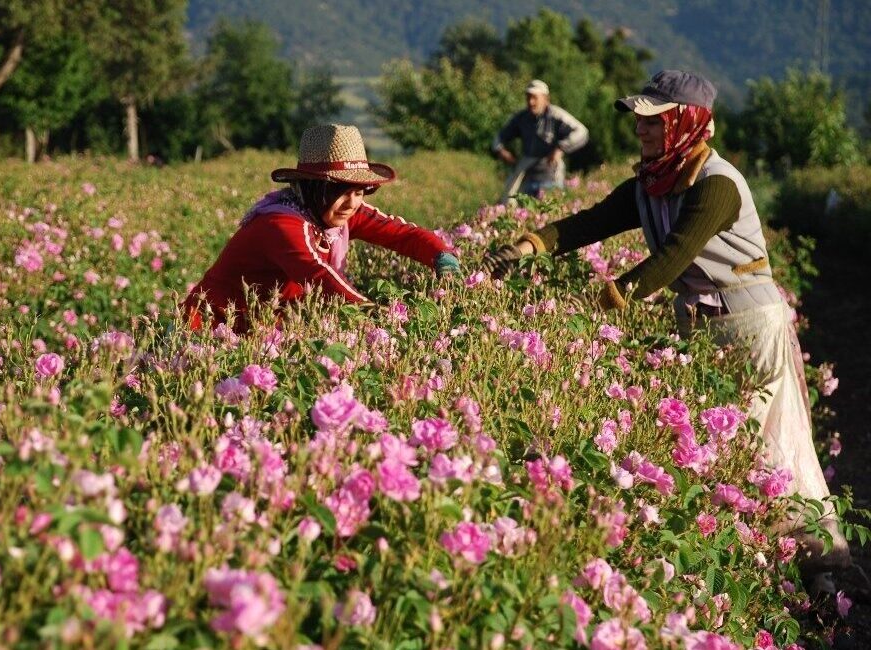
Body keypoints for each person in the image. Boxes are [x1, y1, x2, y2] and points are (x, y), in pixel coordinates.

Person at [484, 70, 850, 583]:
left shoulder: (716, 183)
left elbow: (673, 257)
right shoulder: (653, 181)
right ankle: (783, 559)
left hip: (746, 324)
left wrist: (601, 303)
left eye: (653, 119)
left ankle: (805, 562)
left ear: (686, 121)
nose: (640, 126)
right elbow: (591, 221)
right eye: (639, 117)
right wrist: (526, 246)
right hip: (707, 326)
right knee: (744, 445)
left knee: (746, 446)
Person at [181, 124, 459, 330]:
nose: (352, 202)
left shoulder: (337, 211)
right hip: (205, 331)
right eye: (340, 189)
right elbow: (317, 275)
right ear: (312, 188)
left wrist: (441, 256)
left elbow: (401, 234)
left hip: (259, 334)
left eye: (361, 191)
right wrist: (376, 315)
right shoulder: (279, 224)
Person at [492, 79, 589, 200]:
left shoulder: (556, 115)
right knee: (516, 208)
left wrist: (560, 148)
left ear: (545, 99)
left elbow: (581, 132)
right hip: (527, 178)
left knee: (550, 213)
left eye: (534, 98)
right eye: (528, 98)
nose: (530, 102)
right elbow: (499, 137)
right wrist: (500, 151)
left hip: (550, 177)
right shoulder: (522, 118)